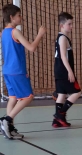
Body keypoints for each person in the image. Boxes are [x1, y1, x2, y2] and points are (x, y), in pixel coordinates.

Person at [0, 4, 46, 139]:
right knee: (28, 96)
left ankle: (9, 128)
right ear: (11, 17)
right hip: (17, 70)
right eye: (19, 15)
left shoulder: (3, 32)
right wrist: (40, 34)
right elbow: (31, 48)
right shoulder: (15, 32)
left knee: (13, 98)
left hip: (7, 70)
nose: (21, 18)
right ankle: (6, 120)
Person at [52, 12, 81, 128]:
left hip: (58, 70)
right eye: (69, 24)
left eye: (71, 24)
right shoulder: (63, 38)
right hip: (64, 70)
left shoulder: (60, 37)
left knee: (61, 94)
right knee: (77, 92)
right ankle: (60, 114)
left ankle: (57, 121)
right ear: (61, 25)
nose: (71, 26)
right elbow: (63, 56)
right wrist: (70, 71)